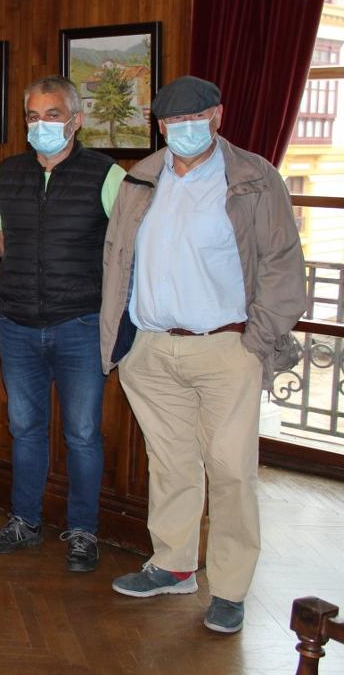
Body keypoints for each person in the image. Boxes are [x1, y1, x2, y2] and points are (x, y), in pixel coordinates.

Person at [100, 75, 306, 633]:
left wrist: (255, 343)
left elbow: (282, 265)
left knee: (232, 469)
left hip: (227, 348)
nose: (184, 129)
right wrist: (122, 340)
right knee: (170, 464)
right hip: (151, 349)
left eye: (195, 119)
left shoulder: (254, 179)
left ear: (217, 116)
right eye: (173, 121)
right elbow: (117, 259)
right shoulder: (141, 179)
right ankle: (173, 565)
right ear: (160, 126)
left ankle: (231, 588)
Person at [0, 76, 125, 572]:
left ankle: (83, 531)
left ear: (76, 120)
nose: (41, 125)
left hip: (80, 322)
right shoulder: (6, 173)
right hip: (18, 322)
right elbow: (1, 238)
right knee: (25, 428)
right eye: (33, 116)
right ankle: (25, 521)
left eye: (53, 115)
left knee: (82, 433)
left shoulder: (107, 174)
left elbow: (122, 249)